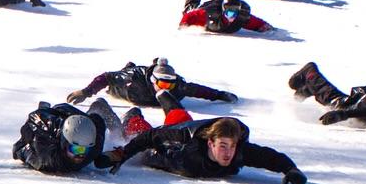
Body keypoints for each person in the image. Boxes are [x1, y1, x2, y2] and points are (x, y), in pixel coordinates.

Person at [105, 116, 307, 184]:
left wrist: (292, 170)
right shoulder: (188, 137)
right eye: (223, 146)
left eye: (232, 146)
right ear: (210, 143)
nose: (228, 153)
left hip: (177, 149)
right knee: (134, 130)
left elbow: (270, 157)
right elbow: (150, 136)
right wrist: (123, 154)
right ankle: (116, 111)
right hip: (157, 151)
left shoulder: (240, 151)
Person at [66, 58, 237, 107]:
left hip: (141, 96)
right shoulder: (134, 76)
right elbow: (107, 77)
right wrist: (86, 92)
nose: (166, 89)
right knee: (119, 78)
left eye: (169, 85)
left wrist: (220, 95)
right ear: (154, 80)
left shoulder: (177, 87)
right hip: (124, 89)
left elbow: (199, 90)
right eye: (162, 85)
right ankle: (127, 65)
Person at [12, 99, 122, 175]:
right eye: (76, 149)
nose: (80, 155)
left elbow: (97, 120)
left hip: (68, 115)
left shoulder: (94, 147)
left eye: (85, 149)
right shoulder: (47, 159)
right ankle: (46, 108)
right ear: (66, 144)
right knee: (28, 134)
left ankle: (99, 107)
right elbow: (20, 149)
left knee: (91, 121)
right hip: (47, 126)